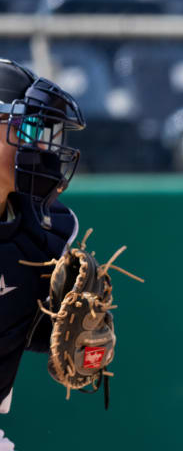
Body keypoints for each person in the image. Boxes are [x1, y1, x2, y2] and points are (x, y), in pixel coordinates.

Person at [0, 58, 85, 449]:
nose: (41, 146)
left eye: (44, 131)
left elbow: (20, 327)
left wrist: (73, 338)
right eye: (27, 128)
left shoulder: (46, 234)